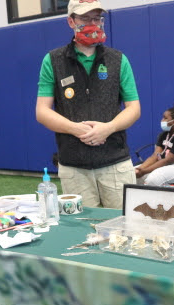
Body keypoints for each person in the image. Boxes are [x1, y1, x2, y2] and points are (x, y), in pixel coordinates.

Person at [35, 0, 141, 209]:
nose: (92, 24)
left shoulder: (118, 59)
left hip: (115, 163)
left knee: (123, 226)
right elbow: (42, 111)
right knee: (83, 231)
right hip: (74, 167)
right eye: (85, 19)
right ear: (71, 22)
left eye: (97, 18)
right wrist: (76, 129)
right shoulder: (53, 60)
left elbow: (134, 108)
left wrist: (108, 128)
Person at [135, 102, 174, 186]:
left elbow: (168, 160)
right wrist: (140, 169)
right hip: (166, 165)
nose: (162, 120)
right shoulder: (163, 135)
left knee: (152, 180)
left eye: (165, 118)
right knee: (135, 176)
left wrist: (144, 171)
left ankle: (154, 199)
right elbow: (155, 156)